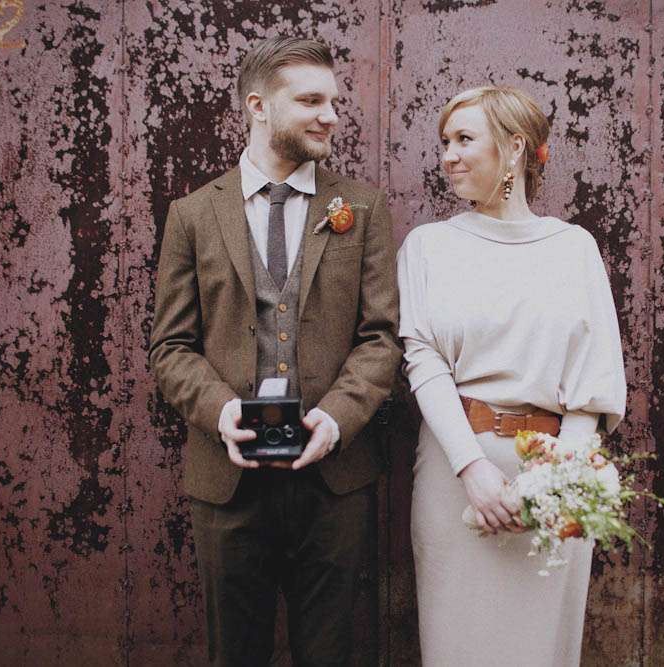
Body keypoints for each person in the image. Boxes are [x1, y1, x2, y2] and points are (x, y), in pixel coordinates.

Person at [148, 36, 401, 666]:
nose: (330, 116)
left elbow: (380, 337)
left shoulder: (362, 207)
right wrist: (221, 412)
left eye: (334, 101)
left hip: (334, 482)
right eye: (311, 101)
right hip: (227, 480)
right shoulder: (192, 214)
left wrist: (336, 419)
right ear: (258, 106)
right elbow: (171, 347)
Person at [397, 85, 627, 665]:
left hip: (555, 477)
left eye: (464, 139)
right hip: (456, 476)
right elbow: (423, 361)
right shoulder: (428, 247)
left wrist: (556, 482)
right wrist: (472, 469)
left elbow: (593, 381)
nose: (448, 155)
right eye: (444, 142)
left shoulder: (574, 249)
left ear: (515, 147)